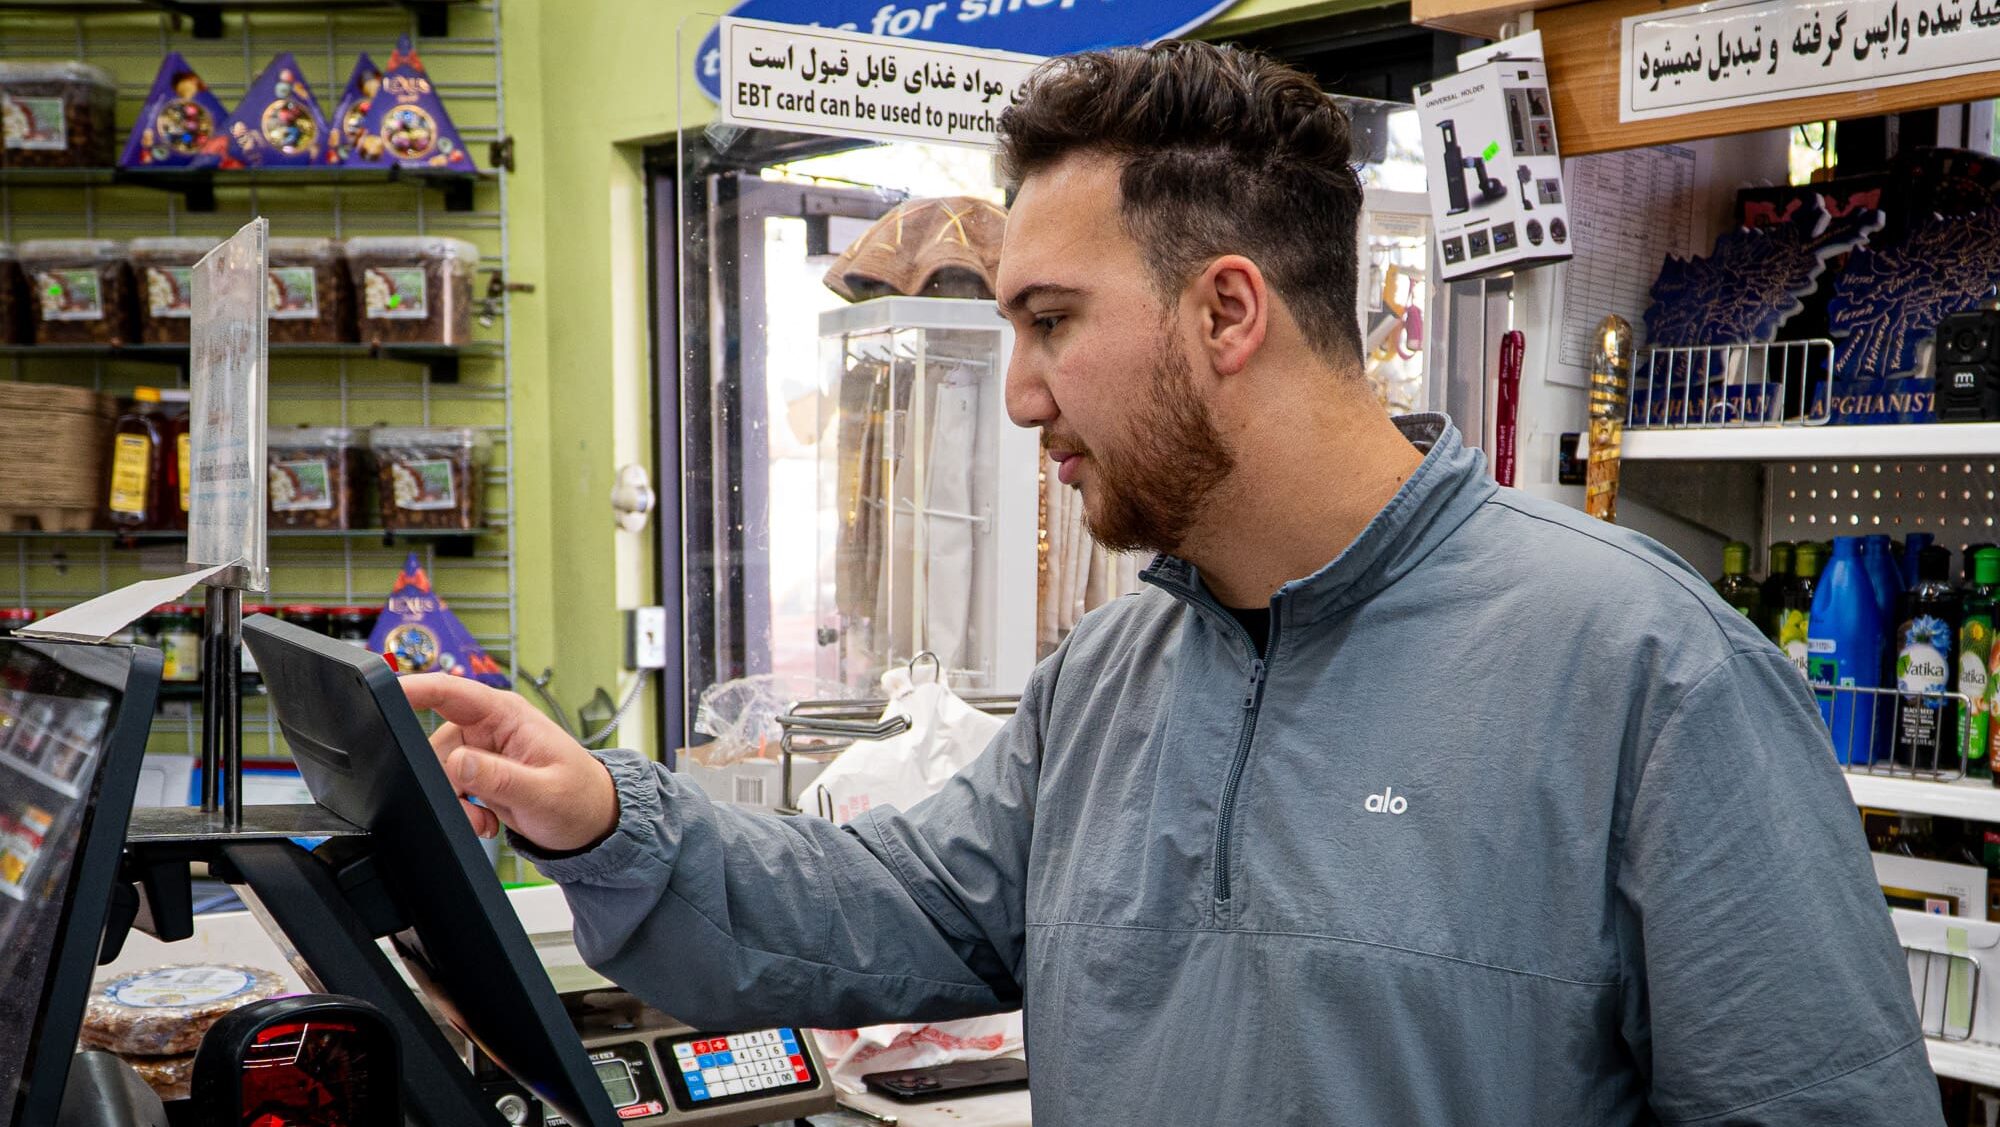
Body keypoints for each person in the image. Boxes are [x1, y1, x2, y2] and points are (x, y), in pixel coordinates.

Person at [403, 42, 1938, 1124]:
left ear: (1225, 311)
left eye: (1053, 320)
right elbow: (880, 910)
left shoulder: (1645, 673)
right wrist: (602, 815)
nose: (1017, 395)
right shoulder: (1111, 680)